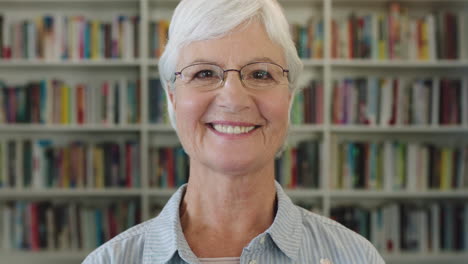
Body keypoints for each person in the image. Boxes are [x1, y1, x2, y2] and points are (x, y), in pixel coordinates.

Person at [83, 0, 385, 263]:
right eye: (204, 73)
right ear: (172, 98)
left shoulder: (356, 257)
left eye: (260, 74)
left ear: (289, 97)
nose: (233, 99)